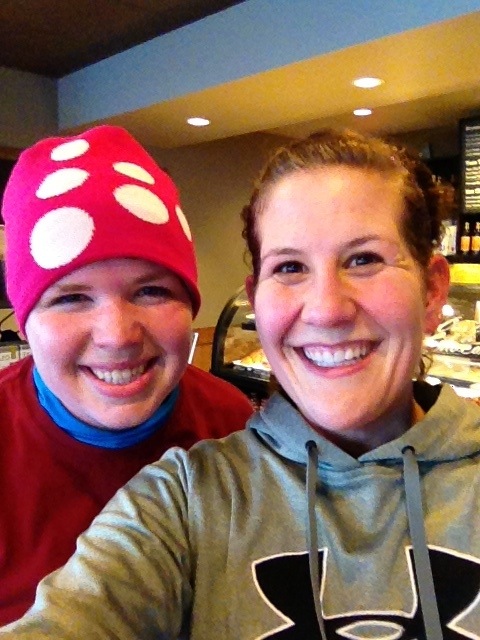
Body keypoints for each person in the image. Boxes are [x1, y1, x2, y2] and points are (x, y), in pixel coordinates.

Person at [1, 128, 479, 640]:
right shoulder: (191, 489)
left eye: (364, 259)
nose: (326, 309)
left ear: (432, 291)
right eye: (290, 267)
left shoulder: (223, 417)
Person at [0, 125, 253, 625]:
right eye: (72, 297)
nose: (117, 335)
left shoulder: (232, 426)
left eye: (151, 291)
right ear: (26, 325)